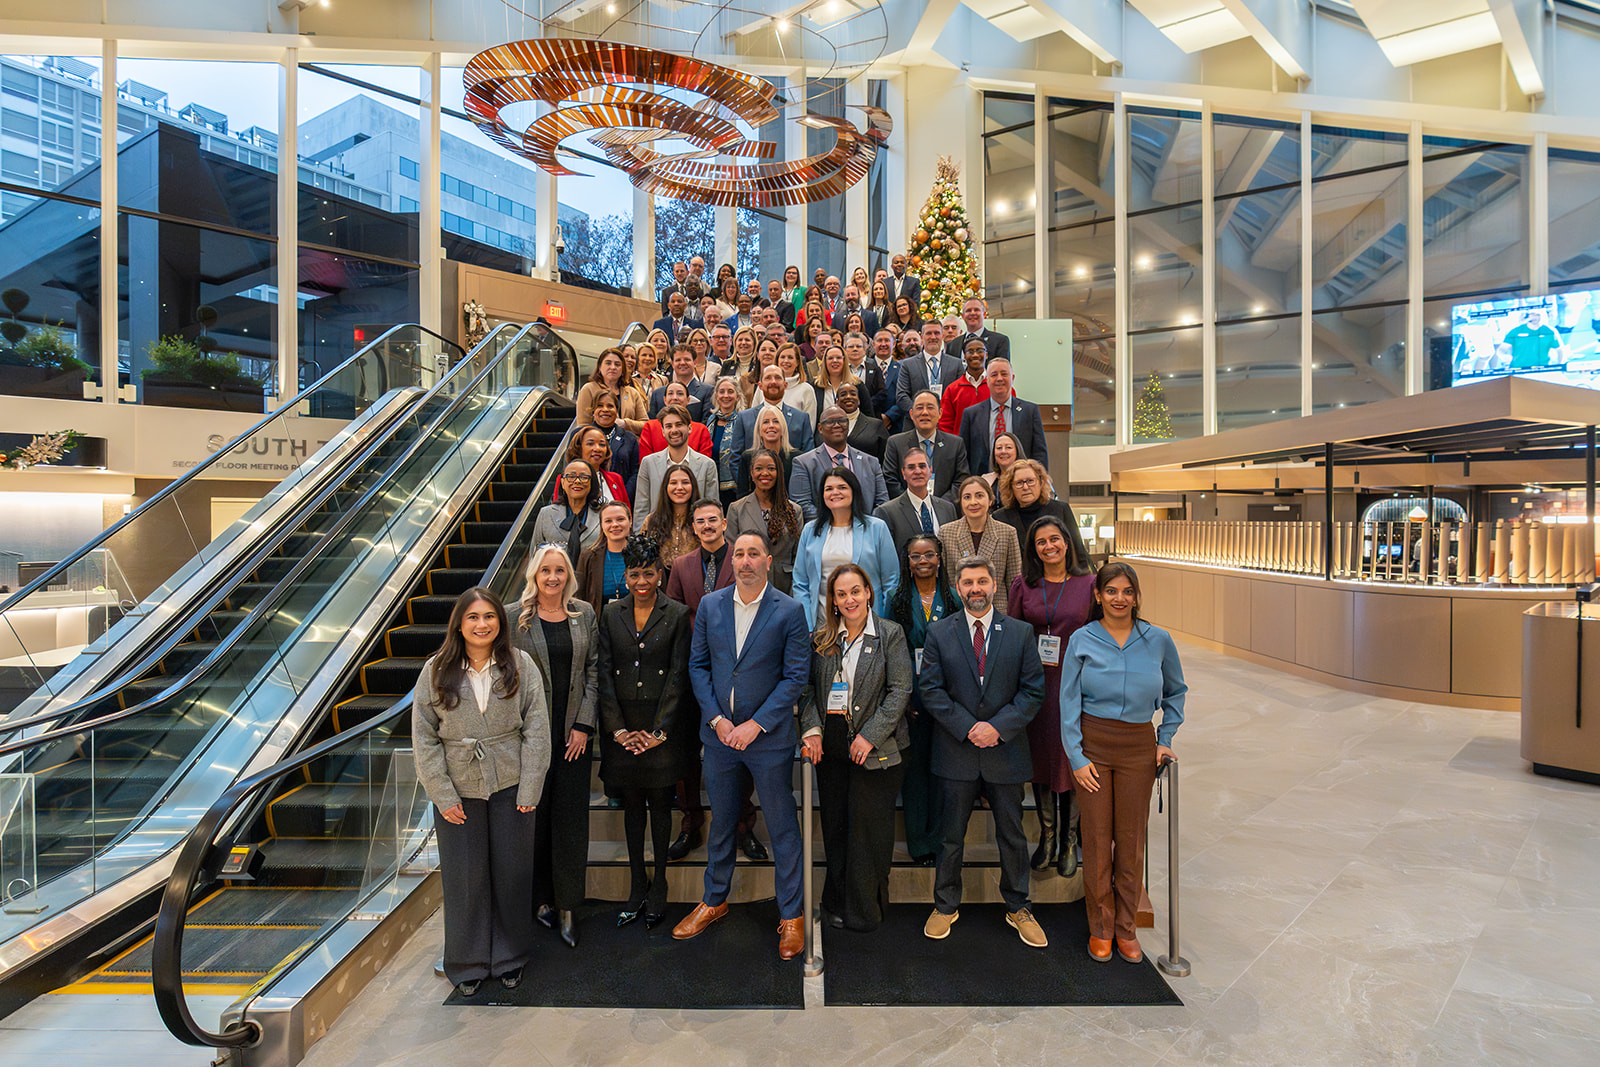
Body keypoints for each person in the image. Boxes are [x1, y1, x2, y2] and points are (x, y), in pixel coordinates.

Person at [674, 532, 812, 961]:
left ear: (769, 561)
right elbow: (697, 664)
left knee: (783, 826)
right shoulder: (713, 605)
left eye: (755, 553)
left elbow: (795, 677)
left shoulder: (789, 610)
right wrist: (717, 719)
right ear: (731, 561)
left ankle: (791, 915)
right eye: (740, 554)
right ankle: (714, 900)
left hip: (766, 741)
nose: (746, 561)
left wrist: (755, 725)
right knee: (721, 823)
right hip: (718, 739)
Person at [414, 587, 549, 997]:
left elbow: (537, 729)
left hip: (511, 785)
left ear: (500, 622)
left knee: (511, 874)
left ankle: (510, 957)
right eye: (473, 617)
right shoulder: (436, 669)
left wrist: (530, 785)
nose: (482, 624)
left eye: (489, 616)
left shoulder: (520, 664)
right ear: (459, 623)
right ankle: (468, 960)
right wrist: (443, 794)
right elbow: (424, 738)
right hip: (459, 789)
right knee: (465, 879)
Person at [1059, 561, 1186, 964]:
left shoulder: (1158, 640)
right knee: (1097, 841)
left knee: (1130, 843)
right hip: (1093, 745)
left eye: (1127, 591)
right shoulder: (1082, 639)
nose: (1119, 598)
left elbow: (1175, 692)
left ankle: (1127, 927)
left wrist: (1164, 739)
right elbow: (1068, 703)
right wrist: (1076, 757)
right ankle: (1101, 926)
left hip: (1137, 746)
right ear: (1097, 596)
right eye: (1111, 591)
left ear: (1136, 596)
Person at [918, 557, 1047, 948]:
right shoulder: (939, 633)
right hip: (956, 750)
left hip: (1005, 750)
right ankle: (945, 905)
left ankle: (1018, 906)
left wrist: (998, 728)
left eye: (982, 581)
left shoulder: (1022, 633)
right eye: (968, 582)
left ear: (995, 585)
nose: (976, 588)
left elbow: (1033, 691)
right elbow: (931, 690)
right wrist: (968, 727)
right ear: (957, 589)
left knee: (1012, 835)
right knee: (950, 836)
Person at [799, 563, 912, 933]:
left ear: (868, 593)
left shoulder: (890, 634)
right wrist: (812, 729)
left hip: (876, 747)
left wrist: (871, 735)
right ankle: (835, 901)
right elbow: (807, 691)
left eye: (855, 591)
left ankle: (865, 910)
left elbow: (900, 690)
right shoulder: (821, 639)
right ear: (832, 599)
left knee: (867, 833)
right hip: (830, 747)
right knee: (835, 827)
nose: (849, 599)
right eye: (841, 593)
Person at [597, 533, 692, 929]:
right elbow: (602, 673)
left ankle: (661, 884)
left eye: (648, 574)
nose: (641, 582)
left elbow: (678, 674)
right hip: (622, 727)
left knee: (660, 804)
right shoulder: (609, 613)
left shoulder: (677, 614)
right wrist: (618, 731)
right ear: (627, 575)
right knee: (632, 806)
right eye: (634, 573)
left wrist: (659, 731)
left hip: (661, 727)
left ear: (659, 574)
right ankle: (637, 883)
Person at [514, 545, 599, 949]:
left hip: (573, 739)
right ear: (534, 574)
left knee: (570, 822)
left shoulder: (584, 614)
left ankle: (568, 906)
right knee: (536, 820)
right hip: (528, 739)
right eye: (545, 571)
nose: (553, 578)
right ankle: (540, 900)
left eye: (559, 571)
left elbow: (594, 671)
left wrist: (584, 724)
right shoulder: (516, 617)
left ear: (569, 575)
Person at [1006, 516, 1094, 877]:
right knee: (1042, 759)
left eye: (1054, 539)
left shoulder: (1089, 584)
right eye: (1040, 542)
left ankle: (1070, 840)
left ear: (1067, 542)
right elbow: (1011, 634)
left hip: (1077, 682)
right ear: (1033, 549)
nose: (1048, 547)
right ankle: (1047, 836)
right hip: (1035, 684)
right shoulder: (1023, 585)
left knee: (1070, 757)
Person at [886, 536, 961, 866]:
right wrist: (903, 698)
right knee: (915, 774)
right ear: (908, 561)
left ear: (940, 559)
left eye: (929, 554)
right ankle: (919, 845)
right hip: (911, 698)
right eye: (915, 556)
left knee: (943, 773)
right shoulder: (897, 599)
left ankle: (940, 841)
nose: (923, 560)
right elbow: (892, 651)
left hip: (947, 699)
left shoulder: (954, 599)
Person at [791, 467, 898, 625]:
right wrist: (808, 624)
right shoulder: (810, 530)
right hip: (822, 625)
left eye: (842, 487)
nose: (835, 492)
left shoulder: (877, 528)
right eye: (829, 489)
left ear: (854, 491)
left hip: (868, 624)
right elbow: (800, 582)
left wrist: (883, 623)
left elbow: (891, 581)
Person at [790, 406, 891, 523]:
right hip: (825, 532)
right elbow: (803, 505)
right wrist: (838, 524)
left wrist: (867, 525)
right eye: (830, 422)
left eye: (842, 421)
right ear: (820, 428)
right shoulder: (803, 463)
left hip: (866, 532)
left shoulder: (871, 462)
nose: (837, 425)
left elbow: (882, 503)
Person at [938, 476, 1022, 615]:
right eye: (967, 497)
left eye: (979, 496)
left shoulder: (1007, 532)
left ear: (990, 500)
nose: (973, 502)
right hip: (958, 613)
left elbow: (1014, 583)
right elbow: (943, 581)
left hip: (997, 613)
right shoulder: (946, 533)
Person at [727, 447, 804, 596]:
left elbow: (798, 559)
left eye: (771, 468)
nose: (765, 473)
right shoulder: (736, 509)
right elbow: (732, 556)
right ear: (751, 473)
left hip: (785, 588)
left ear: (779, 472)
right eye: (759, 468)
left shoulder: (795, 510)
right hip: (748, 587)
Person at [993, 458, 1092, 568]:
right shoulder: (1000, 518)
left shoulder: (1061, 509)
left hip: (1060, 578)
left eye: (1030, 481)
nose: (1025, 487)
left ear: (1040, 482)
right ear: (1011, 487)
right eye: (1019, 483)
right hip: (1021, 581)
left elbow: (1078, 550)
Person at [958, 358, 1049, 474]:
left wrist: (1040, 480)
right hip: (983, 484)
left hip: (1021, 483)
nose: (999, 378)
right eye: (994, 375)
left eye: (1004, 374)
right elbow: (964, 456)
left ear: (1012, 378)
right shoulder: (971, 414)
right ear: (987, 380)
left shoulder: (1030, 411)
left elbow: (1039, 452)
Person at [633, 406, 718, 528]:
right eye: (668, 426)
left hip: (695, 537)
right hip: (657, 537)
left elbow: (712, 509)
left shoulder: (707, 465)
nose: (674, 430)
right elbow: (641, 509)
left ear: (689, 428)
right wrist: (641, 541)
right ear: (662, 431)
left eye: (679, 425)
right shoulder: (648, 463)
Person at [727, 363, 813, 475]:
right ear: (760, 385)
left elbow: (808, 457)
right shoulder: (744, 418)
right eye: (768, 378)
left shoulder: (801, 418)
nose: (773, 382)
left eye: (778, 378)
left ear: (785, 384)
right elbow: (735, 459)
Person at [883, 389, 969, 499]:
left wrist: (939, 506)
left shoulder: (955, 444)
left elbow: (960, 481)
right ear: (911, 414)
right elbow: (890, 480)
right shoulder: (895, 443)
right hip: (906, 510)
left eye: (930, 407)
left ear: (940, 414)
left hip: (945, 511)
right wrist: (912, 504)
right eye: (919, 408)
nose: (925, 412)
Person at [876, 446, 959, 553]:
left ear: (930, 471)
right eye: (911, 467)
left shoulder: (948, 508)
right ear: (903, 473)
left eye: (922, 466)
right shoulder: (887, 512)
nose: (917, 471)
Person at [665, 498, 735, 615]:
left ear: (724, 524)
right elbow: (673, 610)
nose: (706, 526)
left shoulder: (742, 560)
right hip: (694, 632)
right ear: (694, 528)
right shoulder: (680, 565)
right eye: (700, 521)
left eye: (712, 520)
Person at [529, 458, 604, 565]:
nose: (577, 481)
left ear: (592, 483)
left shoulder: (603, 514)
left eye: (584, 477)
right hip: (555, 580)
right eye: (571, 476)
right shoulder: (546, 514)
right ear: (563, 483)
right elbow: (534, 557)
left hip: (594, 579)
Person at [895, 319, 963, 420]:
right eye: (928, 333)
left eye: (937, 333)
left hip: (948, 422)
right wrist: (920, 412)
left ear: (943, 336)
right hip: (916, 423)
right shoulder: (908, 365)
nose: (933, 337)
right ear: (922, 338)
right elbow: (902, 395)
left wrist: (943, 414)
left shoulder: (956, 364)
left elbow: (961, 394)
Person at [576, 500, 633, 610]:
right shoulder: (588, 557)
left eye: (620, 519)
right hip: (600, 624)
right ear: (601, 525)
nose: (615, 525)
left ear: (630, 522)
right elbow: (579, 597)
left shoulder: (644, 554)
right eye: (608, 521)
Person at [641, 463, 701, 566]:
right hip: (661, 579)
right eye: (673, 483)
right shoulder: (651, 520)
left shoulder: (701, 520)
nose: (679, 487)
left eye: (685, 482)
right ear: (666, 487)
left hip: (694, 577)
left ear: (693, 486)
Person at [577, 347, 649, 432]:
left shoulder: (632, 393)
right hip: (599, 442)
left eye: (617, 364)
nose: (613, 367)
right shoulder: (588, 389)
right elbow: (583, 425)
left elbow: (645, 424)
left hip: (628, 443)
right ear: (600, 367)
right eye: (608, 363)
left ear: (622, 369)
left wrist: (625, 423)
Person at [555, 426, 629, 507]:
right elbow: (558, 512)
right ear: (579, 448)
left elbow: (626, 513)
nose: (597, 449)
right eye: (590, 444)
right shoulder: (566, 479)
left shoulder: (615, 479)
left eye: (602, 444)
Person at [938, 335, 995, 435]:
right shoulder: (952, 389)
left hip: (994, 447)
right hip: (961, 447)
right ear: (964, 356)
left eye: (980, 350)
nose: (975, 355)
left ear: (986, 354)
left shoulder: (997, 387)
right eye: (970, 351)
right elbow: (944, 425)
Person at [638, 382, 714, 457]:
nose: (675, 398)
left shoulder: (700, 430)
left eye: (680, 394)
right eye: (670, 393)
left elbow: (703, 463)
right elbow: (646, 463)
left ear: (688, 400)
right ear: (664, 400)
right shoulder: (650, 427)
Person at [589, 392, 640, 501]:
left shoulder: (630, 438)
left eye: (610, 406)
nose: (605, 409)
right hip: (587, 499)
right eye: (600, 405)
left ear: (617, 410)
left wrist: (621, 495)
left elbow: (635, 472)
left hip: (620, 500)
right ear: (593, 410)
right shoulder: (580, 435)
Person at [737, 405, 796, 496]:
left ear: (783, 428)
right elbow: (742, 495)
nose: (771, 425)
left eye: (776, 421)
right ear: (759, 430)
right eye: (765, 422)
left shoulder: (796, 458)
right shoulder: (747, 457)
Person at [703, 376, 743, 507]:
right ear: (716, 395)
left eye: (730, 391)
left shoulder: (743, 421)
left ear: (738, 396)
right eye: (722, 391)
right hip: (711, 483)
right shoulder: (710, 420)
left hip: (735, 487)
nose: (726, 395)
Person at [649, 344, 714, 420]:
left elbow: (707, 422)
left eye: (687, 359)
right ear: (672, 364)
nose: (682, 363)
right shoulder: (658, 394)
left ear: (695, 363)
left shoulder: (708, 391)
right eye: (678, 360)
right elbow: (653, 424)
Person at [943, 298, 1010, 364]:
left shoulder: (999, 341)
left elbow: (1002, 371)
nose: (972, 313)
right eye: (968, 310)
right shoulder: (952, 345)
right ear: (963, 316)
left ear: (984, 314)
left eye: (976, 310)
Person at [832, 382, 888, 461]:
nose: (848, 397)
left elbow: (885, 457)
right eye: (843, 394)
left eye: (853, 394)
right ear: (837, 401)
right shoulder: (829, 426)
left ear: (859, 400)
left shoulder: (876, 425)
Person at [778, 342, 817, 427]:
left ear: (797, 362)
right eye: (782, 357)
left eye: (790, 357)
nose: (786, 361)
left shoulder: (807, 390)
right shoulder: (765, 386)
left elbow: (810, 424)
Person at [982, 430, 1025, 502]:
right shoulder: (985, 480)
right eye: (999, 448)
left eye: (1008, 447)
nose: (1003, 451)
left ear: (1017, 451)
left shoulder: (1030, 477)